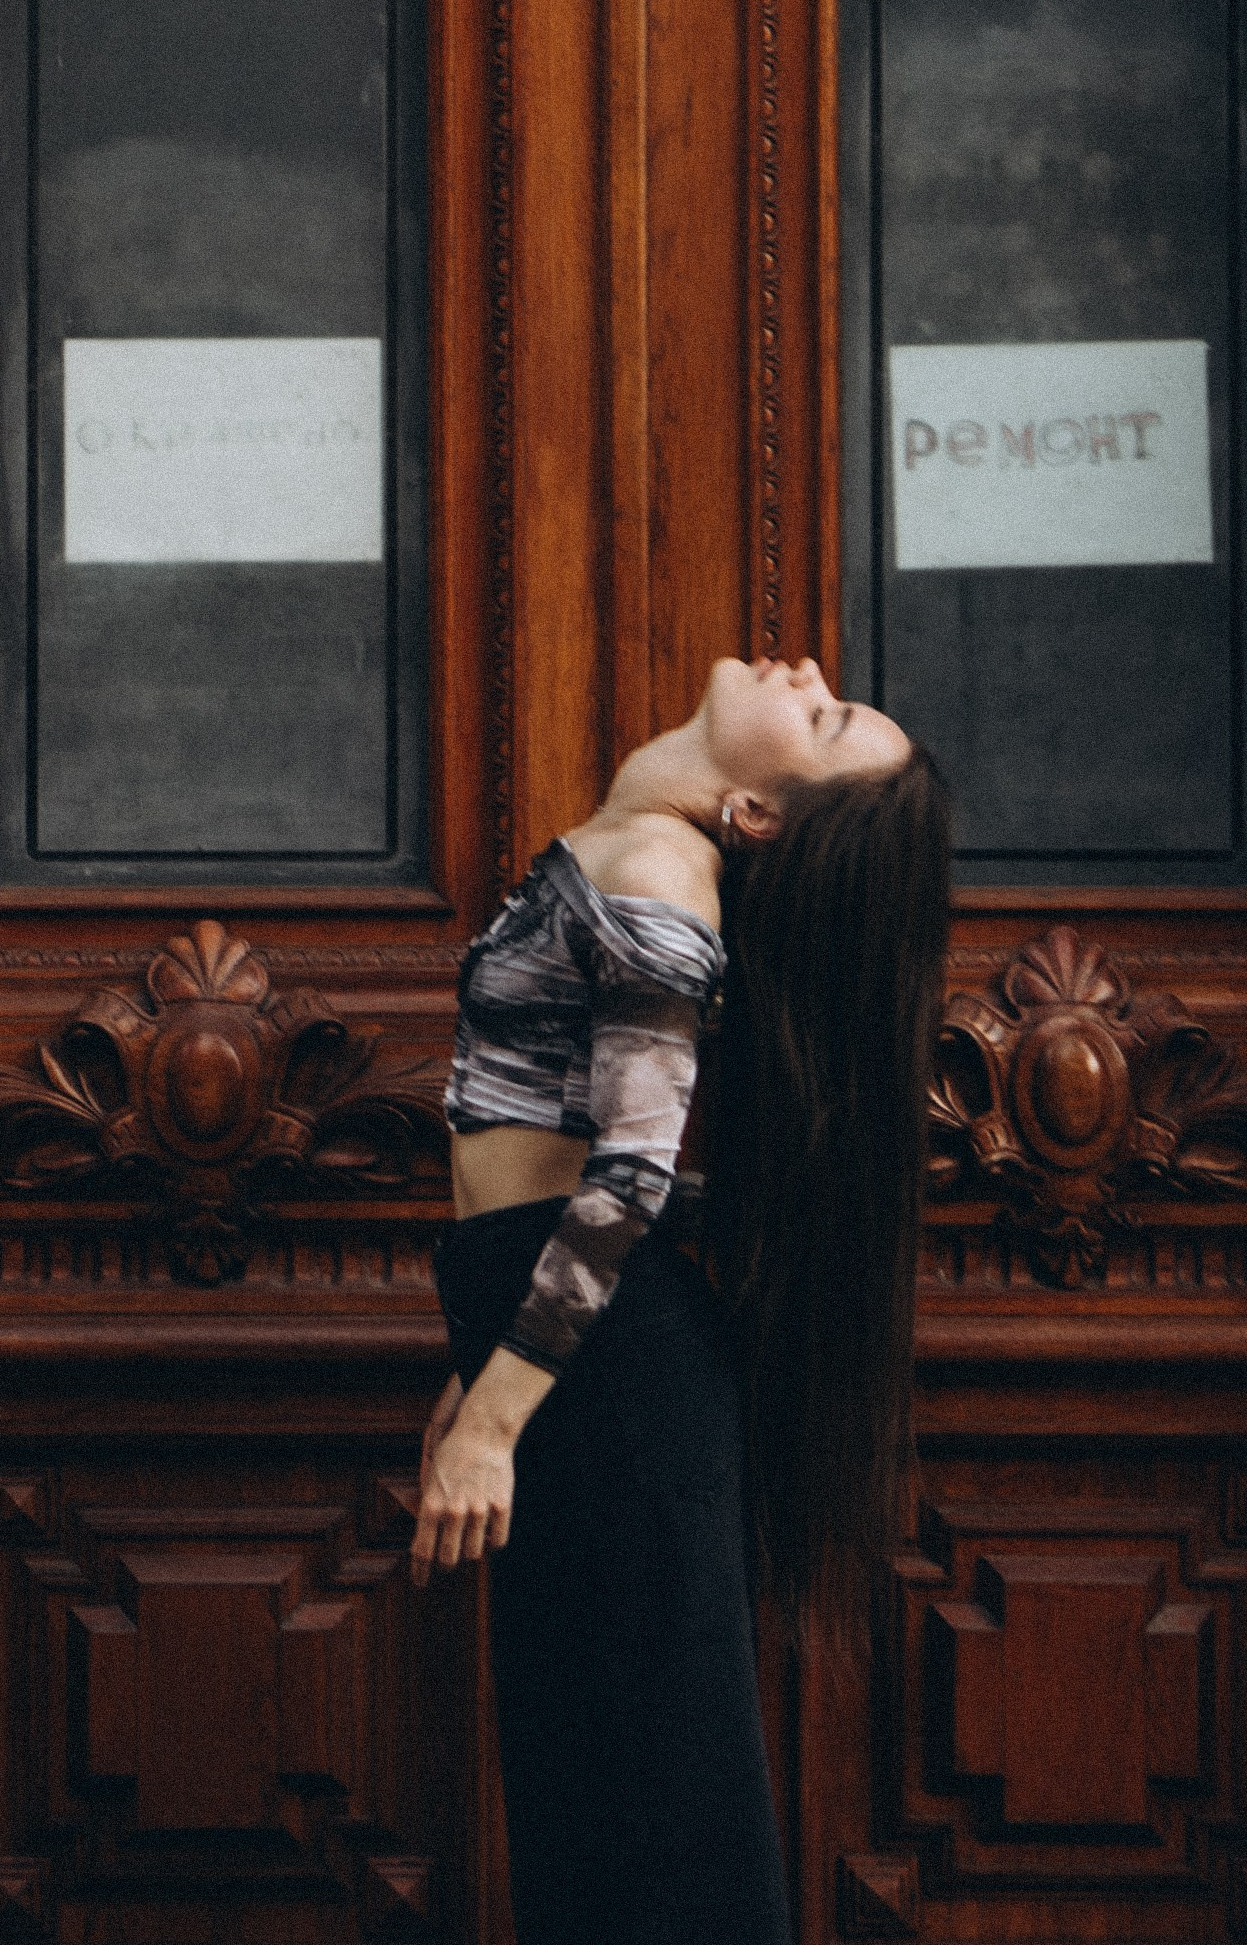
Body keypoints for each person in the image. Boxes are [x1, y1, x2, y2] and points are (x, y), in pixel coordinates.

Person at [413, 652, 954, 1945]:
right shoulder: (638, 848)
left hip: (617, 1387)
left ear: (759, 815)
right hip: (575, 1358)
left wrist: (490, 1424)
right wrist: (483, 1370)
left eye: (821, 716)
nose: (806, 671)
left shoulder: (660, 879)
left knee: (660, 1808)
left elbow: (622, 1192)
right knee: (588, 1796)